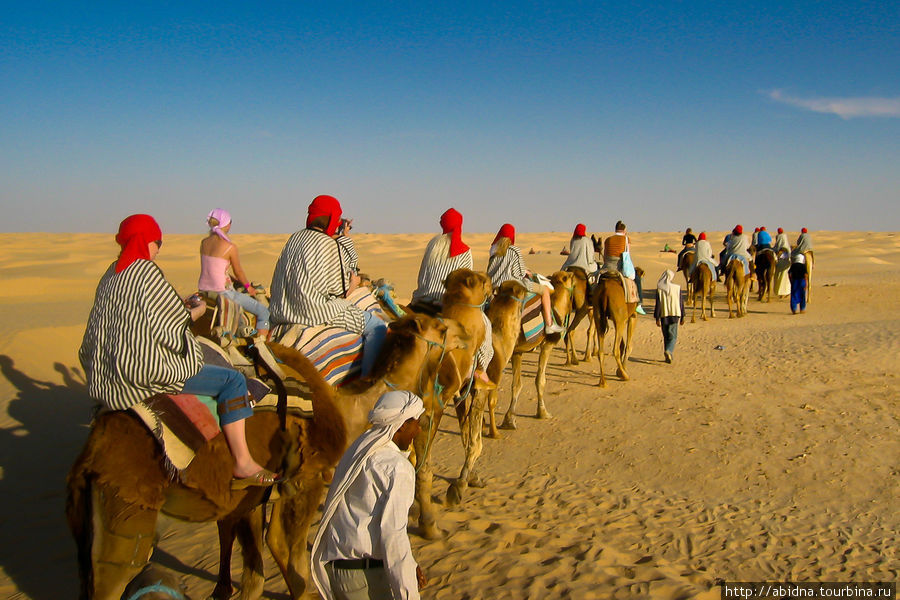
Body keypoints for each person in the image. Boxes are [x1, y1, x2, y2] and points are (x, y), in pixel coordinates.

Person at [79, 214, 278, 488]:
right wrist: (193, 312)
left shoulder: (111, 274)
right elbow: (172, 323)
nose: (158, 248)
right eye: (157, 242)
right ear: (145, 242)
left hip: (105, 378)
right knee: (232, 379)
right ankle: (243, 462)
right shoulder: (146, 272)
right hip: (141, 376)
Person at [311, 390, 428, 600]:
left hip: (340, 573)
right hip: (363, 578)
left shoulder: (359, 449)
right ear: (401, 425)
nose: (418, 430)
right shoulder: (397, 467)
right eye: (415, 423)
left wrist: (410, 565)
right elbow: (393, 535)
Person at [269, 195, 387, 377]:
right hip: (313, 312)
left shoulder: (294, 238)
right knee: (377, 326)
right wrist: (354, 283)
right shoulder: (329, 245)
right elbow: (340, 291)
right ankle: (367, 384)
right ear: (332, 219)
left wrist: (343, 237)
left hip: (281, 311)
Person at [410, 208, 493, 383]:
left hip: (419, 301)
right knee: (484, 323)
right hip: (443, 304)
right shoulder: (463, 250)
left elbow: (422, 274)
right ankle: (478, 369)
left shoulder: (432, 245)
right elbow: (465, 284)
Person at [198, 208, 271, 339]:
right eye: (230, 222)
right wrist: (249, 287)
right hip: (223, 291)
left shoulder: (204, 243)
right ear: (226, 223)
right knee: (263, 312)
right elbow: (239, 272)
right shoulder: (230, 247)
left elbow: (213, 269)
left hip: (204, 290)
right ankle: (262, 347)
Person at [488, 224, 565, 334]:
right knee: (544, 291)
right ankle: (549, 324)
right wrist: (527, 272)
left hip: (494, 284)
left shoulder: (493, 249)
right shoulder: (514, 250)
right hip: (512, 283)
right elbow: (518, 272)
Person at [602, 220, 646, 314]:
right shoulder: (626, 239)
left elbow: (605, 256)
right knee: (637, 279)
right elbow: (627, 254)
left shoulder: (608, 240)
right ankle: (639, 304)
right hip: (619, 266)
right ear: (624, 230)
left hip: (606, 266)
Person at [654, 270, 684, 364]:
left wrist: (657, 317)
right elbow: (681, 303)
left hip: (664, 315)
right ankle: (669, 351)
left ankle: (668, 353)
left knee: (666, 336)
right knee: (673, 336)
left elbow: (658, 304)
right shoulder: (677, 288)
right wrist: (683, 315)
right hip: (675, 314)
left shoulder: (659, 288)